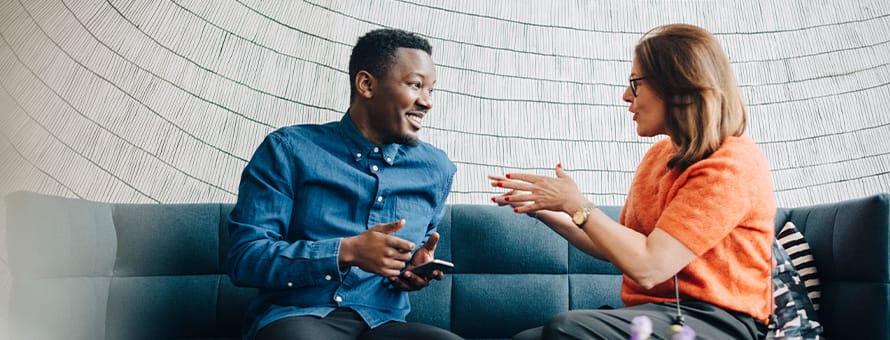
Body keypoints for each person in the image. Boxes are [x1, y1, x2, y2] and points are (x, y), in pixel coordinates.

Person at [490, 24, 774, 339]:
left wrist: (575, 202)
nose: (626, 96)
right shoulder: (659, 155)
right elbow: (620, 245)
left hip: (721, 323)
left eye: (635, 83)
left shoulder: (730, 165)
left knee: (567, 330)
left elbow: (649, 266)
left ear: (678, 85)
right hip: (659, 315)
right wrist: (544, 207)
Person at [226, 28, 461, 340]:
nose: (427, 102)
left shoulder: (436, 169)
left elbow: (407, 256)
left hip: (383, 323)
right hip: (298, 316)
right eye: (416, 85)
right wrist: (345, 251)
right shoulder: (289, 150)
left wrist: (410, 268)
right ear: (366, 84)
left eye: (431, 91)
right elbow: (246, 259)